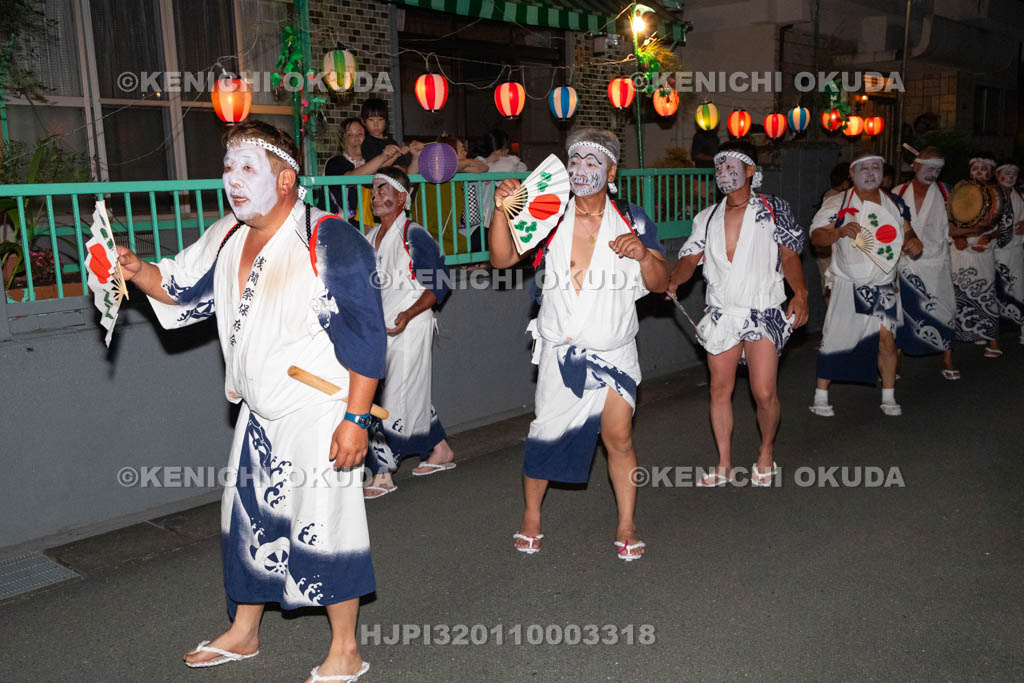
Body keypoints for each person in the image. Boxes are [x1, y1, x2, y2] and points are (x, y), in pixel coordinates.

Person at [114, 121, 385, 682]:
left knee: (325, 524)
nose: (232, 180)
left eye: (247, 168)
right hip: (257, 412)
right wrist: (138, 271)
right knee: (247, 520)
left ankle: (346, 649)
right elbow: (181, 289)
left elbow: (366, 334)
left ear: (285, 180)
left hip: (318, 411)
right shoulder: (228, 235)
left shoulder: (329, 237)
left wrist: (356, 418)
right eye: (228, 168)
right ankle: (244, 630)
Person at [488, 128, 669, 561]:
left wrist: (644, 254)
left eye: (593, 162)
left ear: (611, 171)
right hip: (561, 352)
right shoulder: (548, 212)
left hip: (614, 351)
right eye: (575, 161)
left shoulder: (633, 219)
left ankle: (626, 523)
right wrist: (501, 212)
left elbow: (661, 283)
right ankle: (532, 515)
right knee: (546, 434)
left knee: (619, 436)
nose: (582, 169)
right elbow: (501, 259)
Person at [667, 140, 808, 487]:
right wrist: (674, 280)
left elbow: (790, 255)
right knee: (719, 389)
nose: (723, 172)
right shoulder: (707, 218)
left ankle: (766, 450)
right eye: (719, 166)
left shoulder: (773, 208)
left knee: (764, 392)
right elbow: (688, 259)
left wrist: (800, 293)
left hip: (762, 310)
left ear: (750, 171)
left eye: (731, 165)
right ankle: (724, 463)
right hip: (723, 313)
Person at [362, 166, 456, 498]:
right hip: (382, 330)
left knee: (390, 398)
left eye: (383, 189)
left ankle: (383, 472)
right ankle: (440, 449)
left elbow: (440, 284)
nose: (375, 196)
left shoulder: (414, 235)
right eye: (373, 190)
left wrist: (408, 313)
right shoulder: (370, 237)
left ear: (402, 198)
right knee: (407, 392)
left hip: (411, 326)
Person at [809, 152, 923, 417]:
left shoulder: (894, 203)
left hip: (882, 283)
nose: (871, 173)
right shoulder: (837, 202)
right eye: (864, 168)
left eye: (876, 168)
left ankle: (888, 395)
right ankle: (820, 395)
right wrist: (838, 232)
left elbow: (906, 231)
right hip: (848, 282)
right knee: (836, 337)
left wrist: (913, 241)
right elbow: (816, 236)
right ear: (852, 173)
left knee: (887, 340)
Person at [893, 147, 959, 378]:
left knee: (945, 308)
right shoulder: (898, 192)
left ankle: (947, 357)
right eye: (928, 168)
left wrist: (979, 228)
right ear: (915, 166)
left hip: (937, 261)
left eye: (937, 169)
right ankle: (897, 356)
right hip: (906, 264)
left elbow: (957, 223)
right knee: (904, 313)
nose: (933, 173)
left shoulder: (948, 192)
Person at [950, 154, 1003, 357]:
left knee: (986, 293)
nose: (979, 172)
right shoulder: (960, 190)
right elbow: (949, 218)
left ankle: (993, 340)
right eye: (975, 168)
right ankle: (969, 333)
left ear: (991, 173)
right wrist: (956, 237)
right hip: (960, 249)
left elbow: (1001, 226)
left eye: (984, 169)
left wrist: (989, 236)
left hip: (982, 249)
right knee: (959, 293)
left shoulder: (997, 194)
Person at [323, 117, 404, 225]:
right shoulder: (335, 162)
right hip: (338, 225)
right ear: (343, 139)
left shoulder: (374, 161)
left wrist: (414, 158)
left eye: (360, 133)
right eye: (350, 134)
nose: (356, 138)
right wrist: (383, 156)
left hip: (374, 224)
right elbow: (350, 178)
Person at [993, 159, 1024, 343]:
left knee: (1019, 289)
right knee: (995, 291)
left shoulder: (1021, 197)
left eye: (1014, 174)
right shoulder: (989, 196)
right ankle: (992, 332)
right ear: (997, 175)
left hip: (1015, 251)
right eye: (1006, 173)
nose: (1010, 177)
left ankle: (1022, 329)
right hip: (994, 252)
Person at [816, 162, 852, 304]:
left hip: (832, 250)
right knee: (830, 288)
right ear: (845, 181)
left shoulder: (836, 195)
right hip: (829, 250)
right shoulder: (835, 198)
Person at [360, 97, 421, 173]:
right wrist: (397, 155)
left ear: (386, 121)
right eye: (371, 120)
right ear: (363, 121)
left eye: (380, 119)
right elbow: (376, 172)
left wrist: (416, 154)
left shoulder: (391, 141)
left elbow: (405, 169)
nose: (376, 125)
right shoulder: (367, 143)